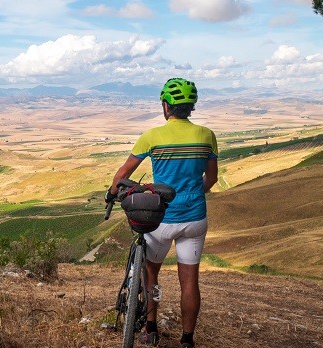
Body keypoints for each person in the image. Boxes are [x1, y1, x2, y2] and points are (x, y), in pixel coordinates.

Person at [106, 77, 218, 348]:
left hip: (160, 218)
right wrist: (192, 194)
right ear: (191, 107)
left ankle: (151, 328)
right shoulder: (206, 135)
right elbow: (211, 179)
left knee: (150, 274)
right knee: (189, 281)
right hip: (194, 217)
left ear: (166, 106)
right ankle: (187, 340)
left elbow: (123, 174)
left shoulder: (152, 136)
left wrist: (111, 194)